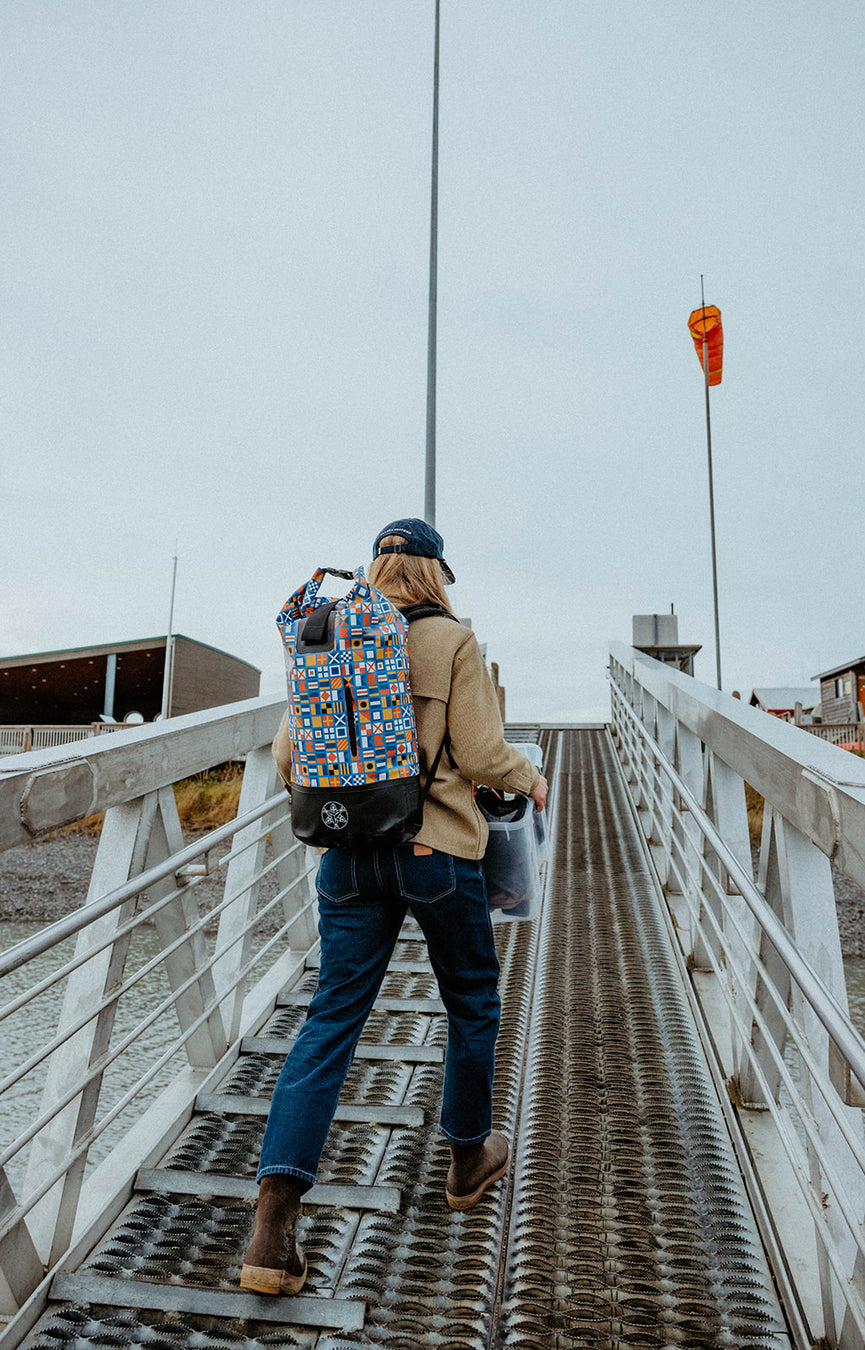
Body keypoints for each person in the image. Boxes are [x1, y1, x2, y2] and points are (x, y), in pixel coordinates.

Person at [240, 518, 549, 1296]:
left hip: (347, 857)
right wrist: (530, 781)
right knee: (472, 1002)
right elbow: (480, 754)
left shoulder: (332, 632)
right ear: (436, 572)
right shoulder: (451, 640)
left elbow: (286, 754)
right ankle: (468, 1159)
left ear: (375, 569)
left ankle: (271, 1231)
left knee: (331, 1020)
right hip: (434, 852)